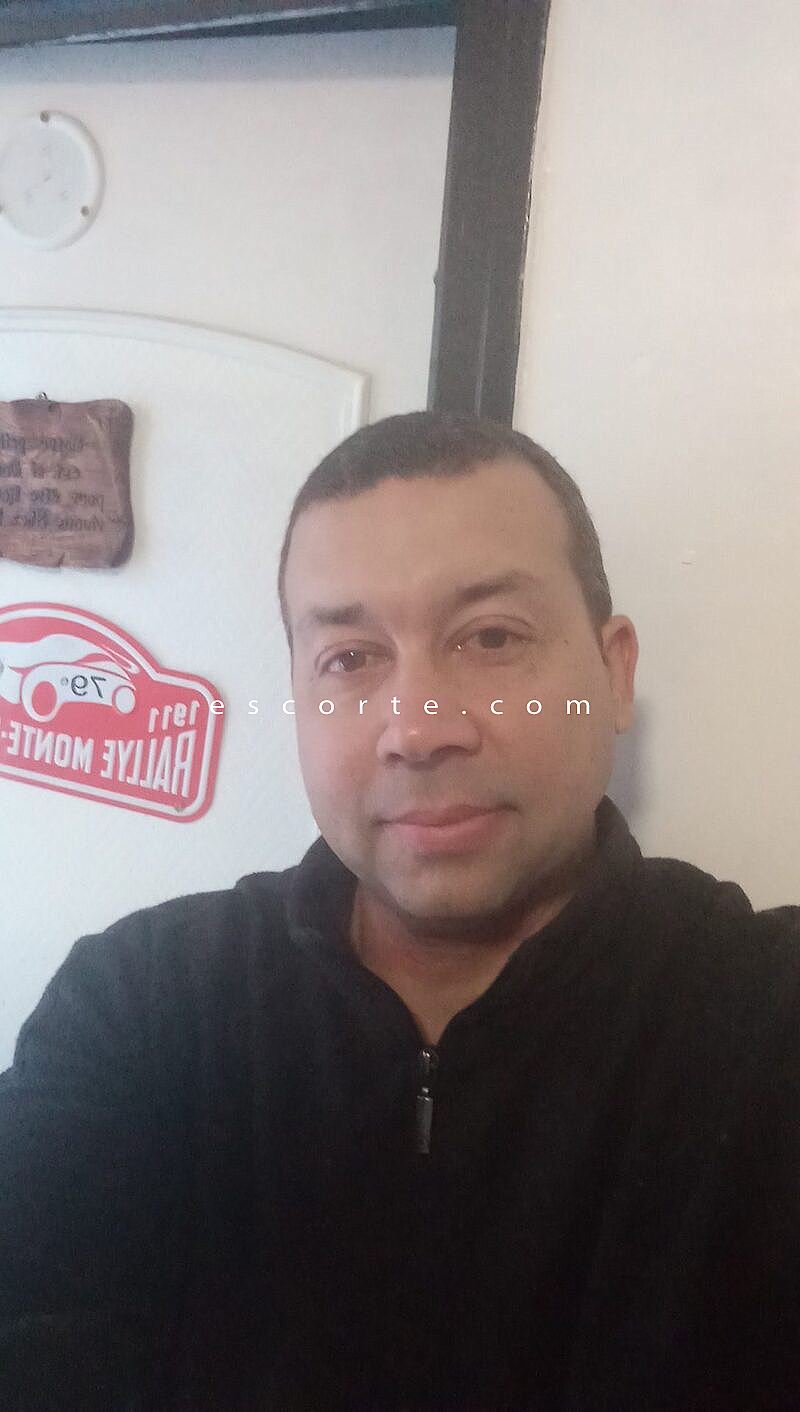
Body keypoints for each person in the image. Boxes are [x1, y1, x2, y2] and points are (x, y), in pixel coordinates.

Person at [1, 410, 798, 1412]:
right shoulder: (135, 1008)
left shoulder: (765, 1022)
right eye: (349, 658)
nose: (417, 729)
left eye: (492, 637)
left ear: (613, 672)